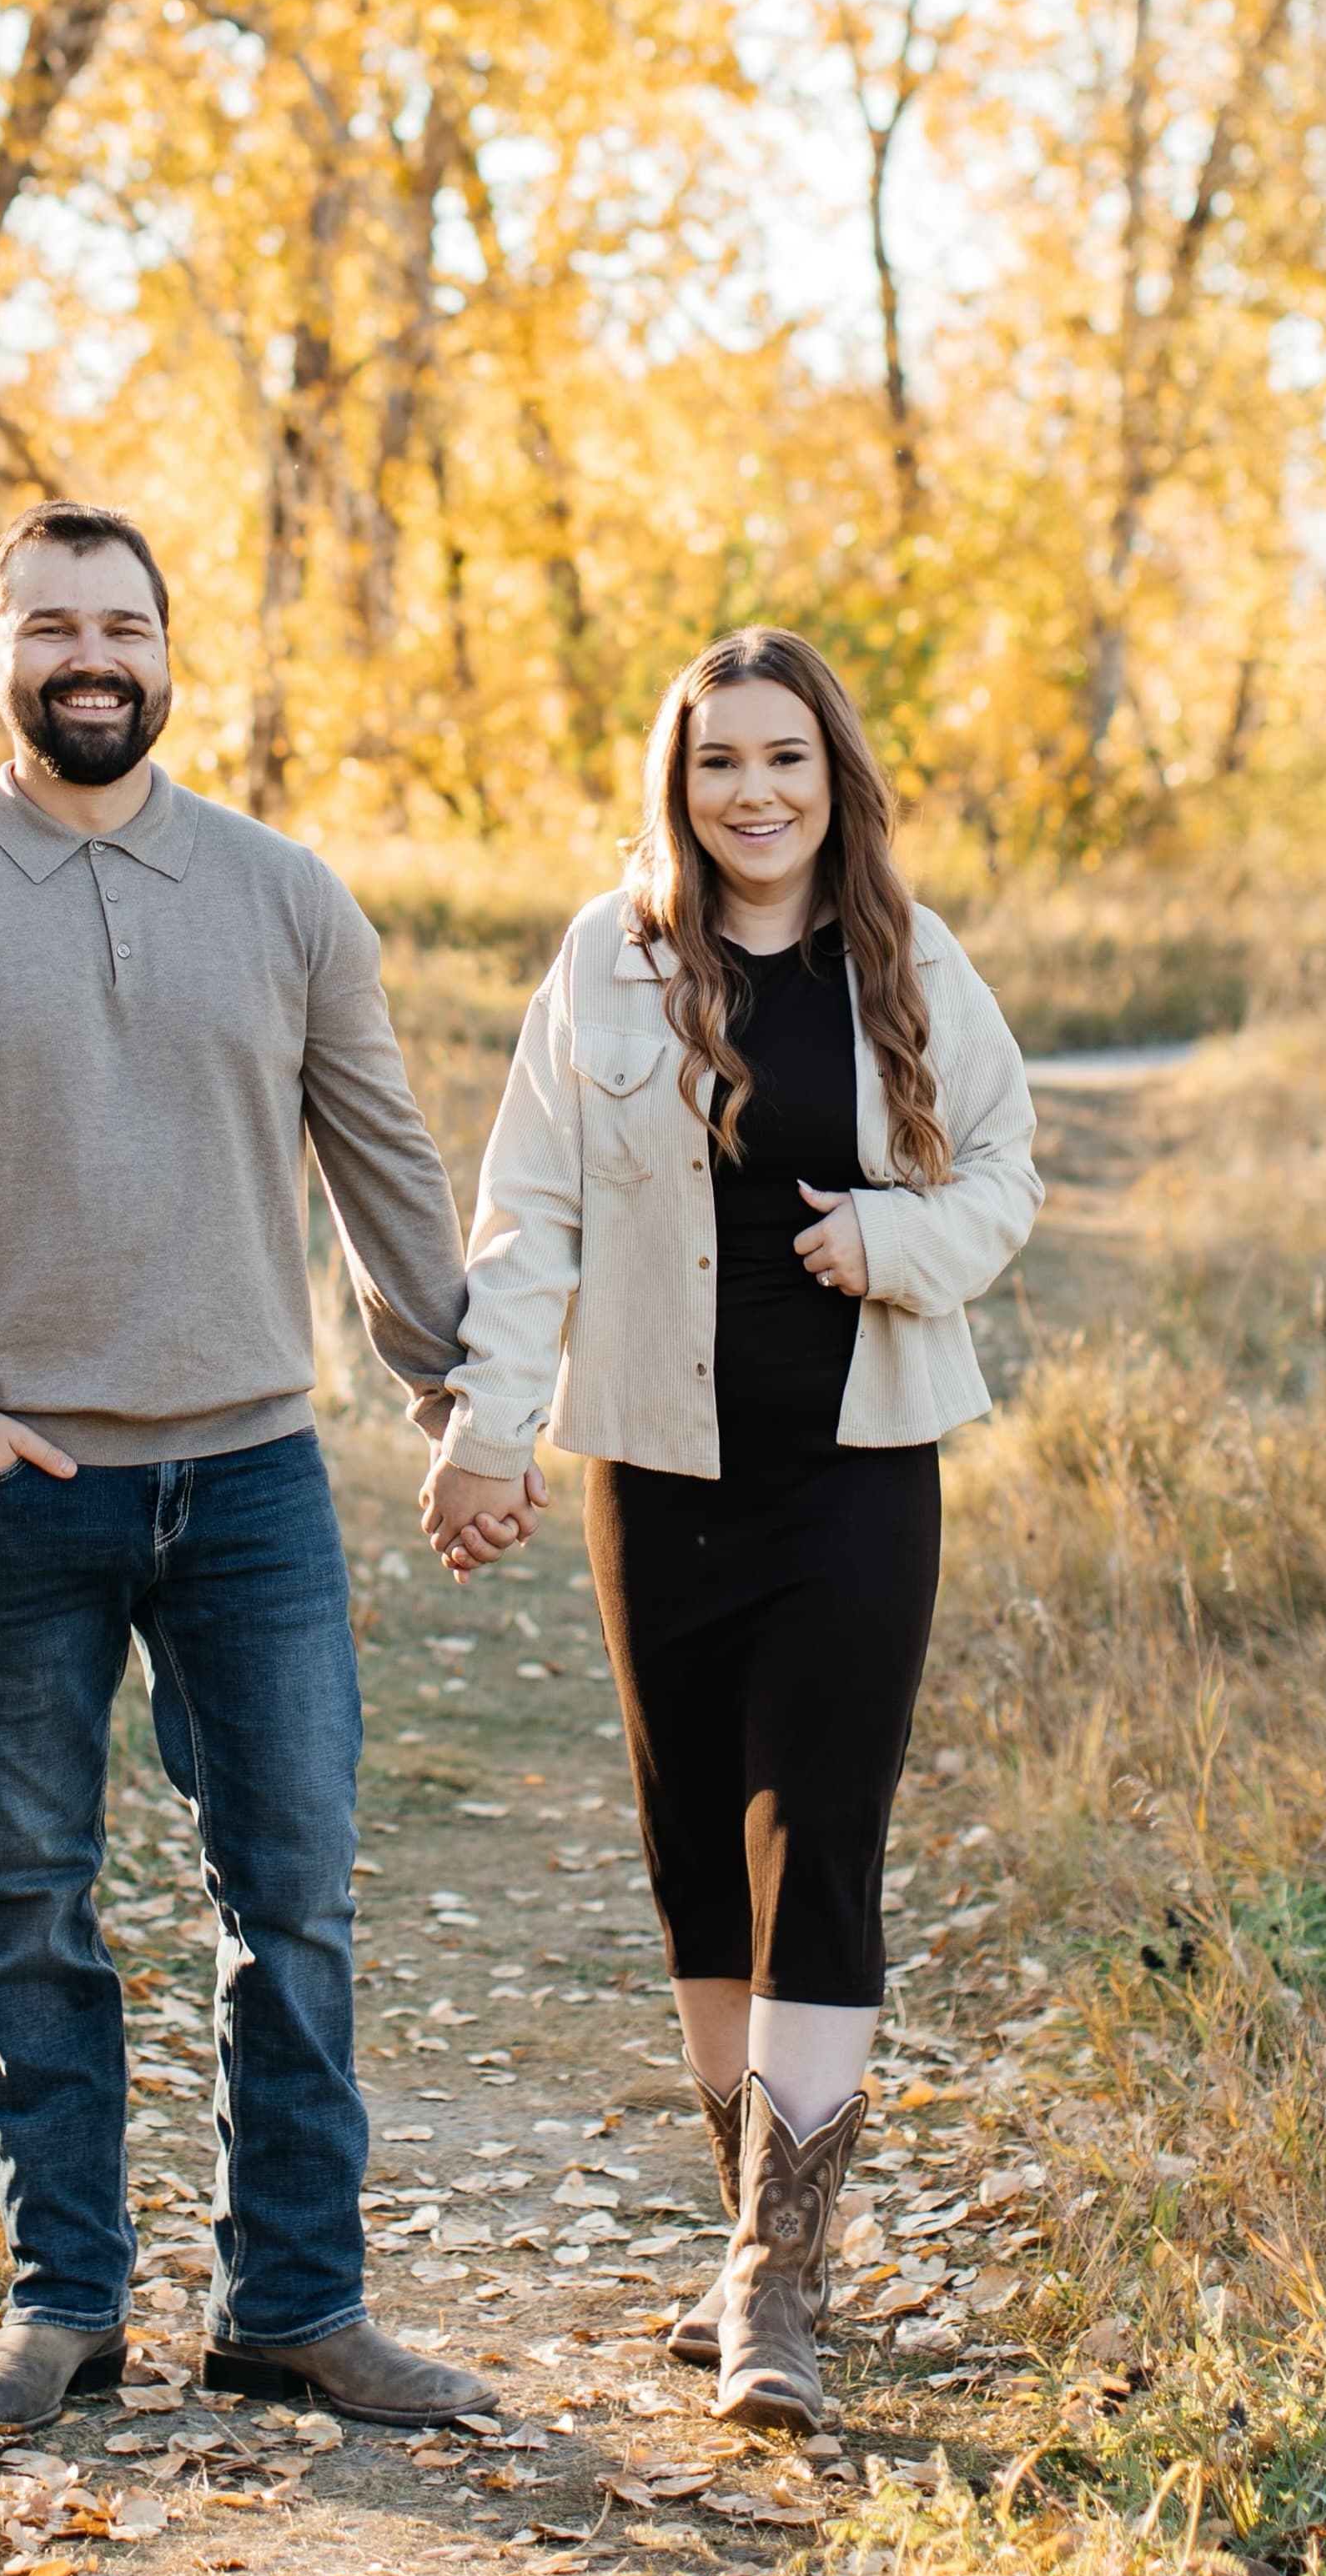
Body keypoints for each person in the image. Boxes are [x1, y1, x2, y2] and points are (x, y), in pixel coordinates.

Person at [0, 499, 497, 2438]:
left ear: (173, 654)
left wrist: (460, 1400)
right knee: (36, 1897)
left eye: (124, 624)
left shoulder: (283, 895)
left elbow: (388, 1168)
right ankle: (64, 2304)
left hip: (253, 1481)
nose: (90, 656)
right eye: (50, 625)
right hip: (21, 1489)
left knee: (298, 1906)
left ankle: (297, 2309)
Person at [421, 629, 1039, 2432]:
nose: (754, 793)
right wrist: (489, 1429)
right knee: (699, 1855)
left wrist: (893, 1246)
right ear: (676, 786)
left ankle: (779, 2280)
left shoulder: (908, 962)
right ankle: (747, 2233)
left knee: (815, 1842)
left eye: (786, 759)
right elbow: (527, 1213)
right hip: (658, 1477)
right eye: (719, 764)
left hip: (856, 1473)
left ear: (834, 776)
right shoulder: (610, 967)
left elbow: (1003, 1169)